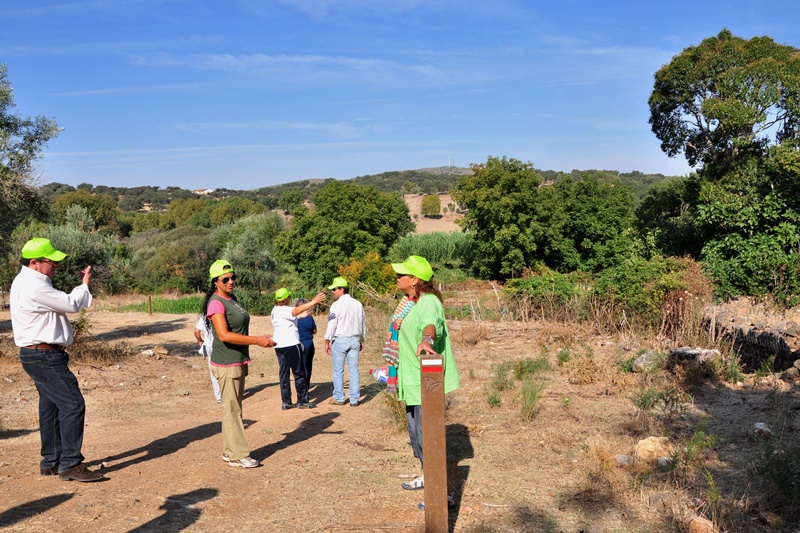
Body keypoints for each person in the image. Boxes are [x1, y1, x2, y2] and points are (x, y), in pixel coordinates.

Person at [9, 238, 105, 482]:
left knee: (50, 407)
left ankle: (51, 461)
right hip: (44, 355)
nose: (56, 265)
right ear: (35, 262)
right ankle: (70, 464)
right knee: (73, 404)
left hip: (36, 353)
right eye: (52, 261)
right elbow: (71, 304)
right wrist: (84, 284)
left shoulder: (25, 281)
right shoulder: (35, 286)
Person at [391, 256, 460, 491]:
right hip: (412, 380)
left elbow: (431, 326)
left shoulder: (428, 302)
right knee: (418, 437)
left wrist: (426, 339)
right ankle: (428, 478)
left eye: (402, 274)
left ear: (415, 280)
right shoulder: (411, 303)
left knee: (428, 438)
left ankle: (442, 491)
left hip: (425, 382)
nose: (397, 278)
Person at [201, 259, 275, 468]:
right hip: (227, 364)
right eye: (226, 279)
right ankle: (239, 455)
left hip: (237, 361)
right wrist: (256, 340)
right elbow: (224, 335)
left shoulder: (231, 299)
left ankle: (229, 451)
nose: (231, 281)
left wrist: (259, 338)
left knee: (233, 408)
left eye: (233, 277)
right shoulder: (216, 302)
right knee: (232, 410)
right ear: (216, 282)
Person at [270, 288, 326, 410]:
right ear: (286, 299)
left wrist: (299, 316)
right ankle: (302, 400)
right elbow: (297, 310)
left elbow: (290, 318)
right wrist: (314, 301)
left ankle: (286, 401)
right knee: (299, 372)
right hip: (291, 344)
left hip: (279, 345)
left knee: (284, 373)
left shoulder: (275, 310)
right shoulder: (286, 309)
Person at [324, 276, 366, 407]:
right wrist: (362, 339)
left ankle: (339, 397)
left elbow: (332, 323)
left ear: (342, 289)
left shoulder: (336, 305)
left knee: (338, 371)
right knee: (354, 370)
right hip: (354, 339)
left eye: (334, 289)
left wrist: (327, 340)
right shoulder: (358, 304)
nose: (333, 291)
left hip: (340, 340)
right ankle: (354, 399)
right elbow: (362, 323)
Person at [193, 316, 221, 403]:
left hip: (208, 345)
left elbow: (196, 330)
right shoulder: (220, 313)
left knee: (212, 370)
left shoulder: (205, 316)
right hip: (219, 345)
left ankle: (218, 396)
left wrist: (200, 340)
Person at [295, 298, 318, 386]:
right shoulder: (310, 318)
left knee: (299, 367)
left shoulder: (294, 319)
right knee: (308, 367)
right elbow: (314, 331)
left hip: (298, 344)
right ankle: (306, 386)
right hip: (309, 344)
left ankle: (300, 387)